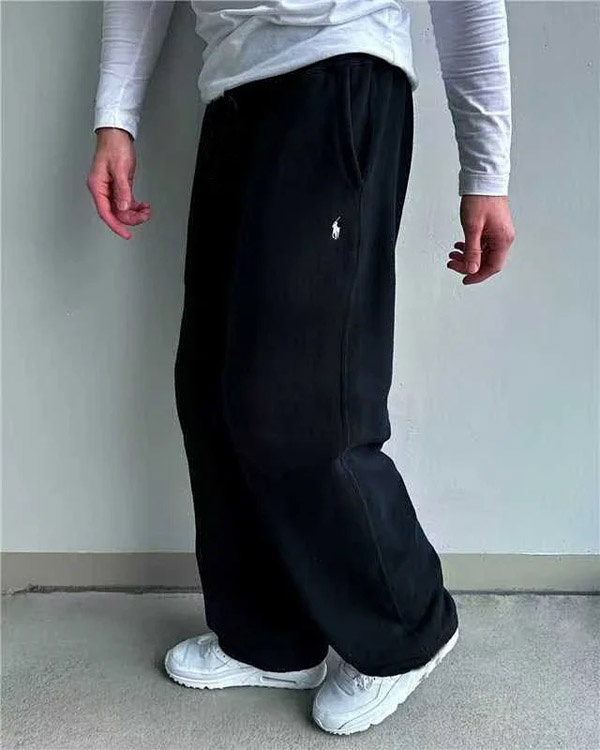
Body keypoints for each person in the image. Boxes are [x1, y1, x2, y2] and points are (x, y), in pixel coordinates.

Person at [86, 0, 515, 736]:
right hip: (232, 93)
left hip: (338, 72)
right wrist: (114, 117)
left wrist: (486, 170)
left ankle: (407, 627)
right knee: (213, 391)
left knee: (307, 398)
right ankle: (270, 639)